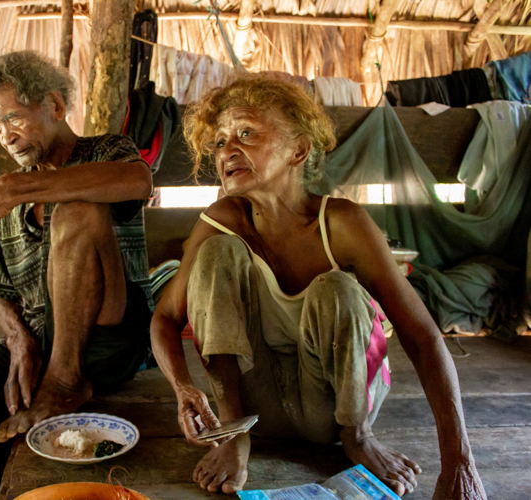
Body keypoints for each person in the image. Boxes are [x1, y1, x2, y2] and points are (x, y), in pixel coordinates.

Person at [150, 73, 487, 498]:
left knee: (338, 289)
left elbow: (423, 337)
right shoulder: (222, 220)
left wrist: (459, 461)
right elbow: (164, 317)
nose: (226, 150)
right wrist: (183, 388)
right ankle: (234, 438)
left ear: (299, 149)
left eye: (246, 133)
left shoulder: (342, 223)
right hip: (256, 412)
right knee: (217, 255)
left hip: (332, 410)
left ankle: (359, 437)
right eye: (219, 142)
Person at [0, 50, 154, 499]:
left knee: (77, 209)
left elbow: (138, 181)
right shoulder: (8, 208)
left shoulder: (107, 152)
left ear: (54, 106)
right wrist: (16, 338)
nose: (5, 137)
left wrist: (11, 188)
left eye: (13, 118)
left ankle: (65, 382)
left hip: (108, 336)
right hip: (38, 345)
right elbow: (1, 292)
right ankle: (52, 374)